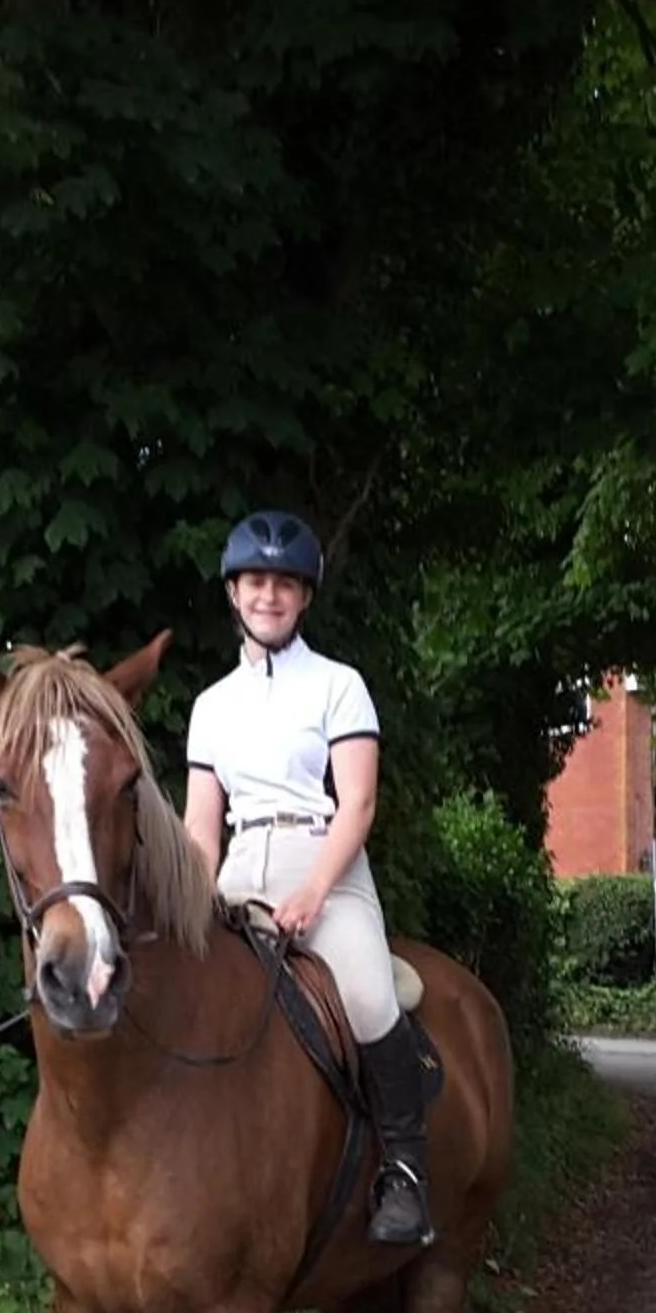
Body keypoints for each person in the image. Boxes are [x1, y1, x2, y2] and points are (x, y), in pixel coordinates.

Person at [183, 510, 433, 1246]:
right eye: (256, 582)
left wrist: (315, 892)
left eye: (284, 585)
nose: (269, 596)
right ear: (234, 592)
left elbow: (356, 802)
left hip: (325, 862)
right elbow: (201, 827)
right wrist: (195, 900)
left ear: (305, 597)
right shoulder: (211, 707)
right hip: (239, 867)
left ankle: (406, 1176)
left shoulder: (339, 686)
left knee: (364, 992)